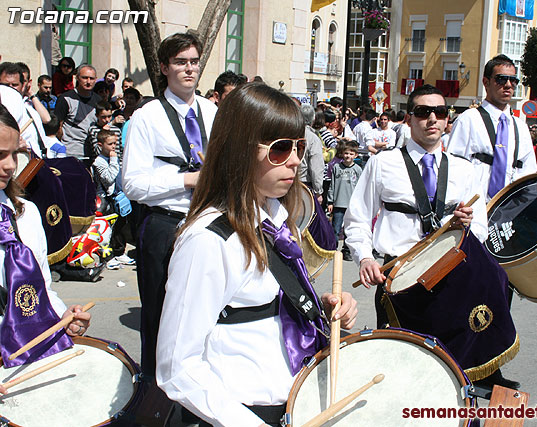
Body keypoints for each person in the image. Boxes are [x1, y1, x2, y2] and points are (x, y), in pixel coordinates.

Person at [156, 82, 357, 426]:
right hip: (244, 414)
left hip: (296, 403)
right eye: (280, 149)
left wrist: (318, 309)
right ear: (240, 151)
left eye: (299, 146)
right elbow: (177, 368)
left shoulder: (280, 221)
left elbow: (265, 309)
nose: (295, 160)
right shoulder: (209, 241)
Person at [344, 84, 518, 389]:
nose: (432, 119)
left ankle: (471, 385)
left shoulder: (464, 170)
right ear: (409, 119)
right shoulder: (382, 164)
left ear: (448, 119)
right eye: (423, 112)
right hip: (398, 277)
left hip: (450, 273)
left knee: (456, 364)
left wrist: (464, 226)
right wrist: (365, 257)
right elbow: (357, 218)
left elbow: (479, 228)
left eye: (440, 112)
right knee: (401, 373)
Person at [122, 31, 218, 383]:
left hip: (209, 221)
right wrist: (186, 180)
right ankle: (154, 394)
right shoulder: (147, 117)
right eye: (180, 63)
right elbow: (131, 183)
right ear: (164, 67)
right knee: (159, 314)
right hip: (164, 222)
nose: (189, 69)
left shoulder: (212, 112)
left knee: (206, 311)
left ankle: (199, 390)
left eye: (194, 62)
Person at [0, 104, 90, 394]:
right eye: (0, 154)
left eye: (14, 153)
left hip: (28, 363)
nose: (11, 165)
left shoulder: (26, 213)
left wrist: (63, 317)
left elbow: (41, 289)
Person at [447, 54, 536, 201]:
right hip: (473, 208)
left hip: (508, 210)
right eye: (501, 79)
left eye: (513, 80)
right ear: (486, 82)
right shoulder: (468, 120)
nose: (508, 85)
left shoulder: (521, 127)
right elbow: (453, 169)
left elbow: (528, 172)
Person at [54, 64, 101, 163]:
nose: (88, 82)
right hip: (70, 154)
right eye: (84, 78)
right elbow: (58, 127)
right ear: (77, 78)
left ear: (96, 79)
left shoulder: (98, 100)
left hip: (92, 155)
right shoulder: (65, 99)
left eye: (91, 78)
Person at [327, 140, 361, 261]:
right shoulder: (336, 167)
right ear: (342, 153)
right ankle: (333, 249)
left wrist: (359, 203)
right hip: (338, 203)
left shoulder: (357, 169)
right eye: (346, 153)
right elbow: (332, 185)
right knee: (335, 229)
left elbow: (360, 188)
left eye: (351, 154)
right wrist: (330, 202)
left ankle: (346, 251)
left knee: (348, 230)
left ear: (355, 156)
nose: (348, 156)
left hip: (351, 205)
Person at [299, 103, 324, 198]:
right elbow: (316, 166)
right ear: (313, 119)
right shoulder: (312, 138)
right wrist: (318, 190)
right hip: (304, 183)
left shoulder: (289, 132)